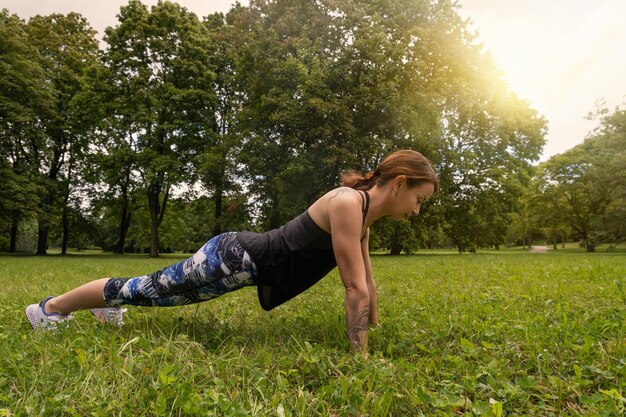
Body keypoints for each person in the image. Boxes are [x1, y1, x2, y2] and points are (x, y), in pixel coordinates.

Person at [25, 150, 438, 354]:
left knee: (151, 297)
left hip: (243, 267)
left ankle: (103, 307)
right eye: (419, 199)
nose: (417, 211)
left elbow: (367, 281)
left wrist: (375, 329)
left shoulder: (364, 216)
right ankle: (50, 308)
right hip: (233, 257)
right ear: (400, 183)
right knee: (144, 289)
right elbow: (354, 288)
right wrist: (360, 356)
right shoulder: (349, 202)